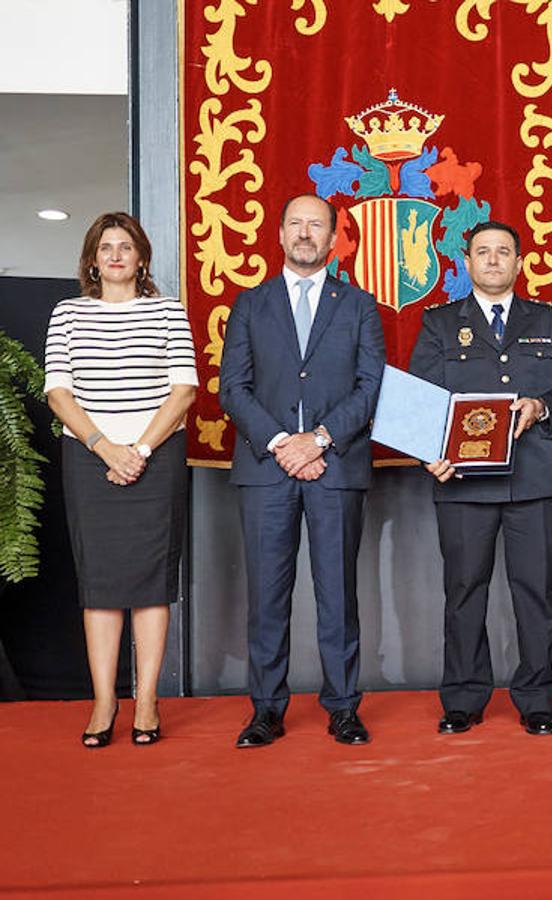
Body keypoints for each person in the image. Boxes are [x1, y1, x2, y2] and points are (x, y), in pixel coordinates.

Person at [408, 221, 552, 736]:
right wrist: (428, 454)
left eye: (502, 252)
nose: (492, 260)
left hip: (534, 475)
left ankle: (536, 699)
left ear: (520, 262)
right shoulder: (440, 324)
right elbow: (419, 399)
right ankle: (463, 698)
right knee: (464, 591)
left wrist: (543, 405)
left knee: (536, 592)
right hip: (463, 479)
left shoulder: (549, 321)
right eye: (482, 252)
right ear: (466, 263)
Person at [219, 193, 385, 747]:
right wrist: (280, 443)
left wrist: (316, 441)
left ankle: (342, 706)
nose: (306, 233)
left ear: (334, 238)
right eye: (296, 223)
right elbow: (233, 388)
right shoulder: (250, 303)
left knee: (338, 591)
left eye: (317, 225)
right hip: (267, 469)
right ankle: (266, 709)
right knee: (268, 593)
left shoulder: (359, 305)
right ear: (280, 234)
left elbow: (371, 386)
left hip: (335, 465)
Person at [44, 212, 197, 747]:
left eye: (125, 246)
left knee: (151, 584)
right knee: (102, 586)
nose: (114, 255)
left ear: (141, 257)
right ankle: (105, 700)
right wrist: (105, 447)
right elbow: (59, 393)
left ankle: (147, 699)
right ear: (92, 258)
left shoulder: (167, 311)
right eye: (105, 247)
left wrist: (141, 449)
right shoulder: (67, 314)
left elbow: (183, 390)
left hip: (156, 454)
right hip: (89, 456)